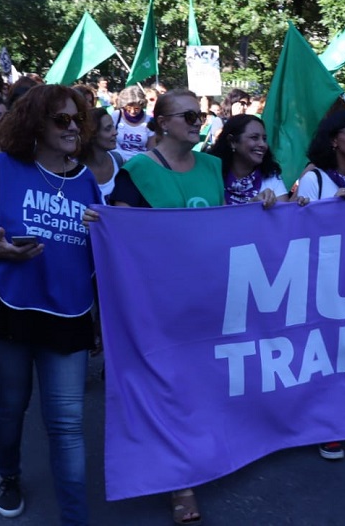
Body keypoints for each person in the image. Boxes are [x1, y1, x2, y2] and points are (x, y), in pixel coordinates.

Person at [0, 84, 101, 523]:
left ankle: (75, 518)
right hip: (8, 312)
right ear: (35, 123)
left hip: (68, 315)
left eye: (77, 119)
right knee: (11, 406)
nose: (73, 128)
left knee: (67, 425)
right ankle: (8, 475)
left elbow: (106, 252)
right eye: (61, 120)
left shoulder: (87, 180)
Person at [110, 89, 222, 525]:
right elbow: (121, 231)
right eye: (188, 114)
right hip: (158, 302)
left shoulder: (214, 166)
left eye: (201, 113)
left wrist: (278, 206)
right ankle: (181, 484)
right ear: (162, 122)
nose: (198, 120)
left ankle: (204, 456)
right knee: (169, 389)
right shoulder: (137, 170)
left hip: (210, 297)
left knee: (203, 385)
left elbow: (230, 224)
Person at [293, 110, 345, 461]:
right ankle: (325, 425)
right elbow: (300, 232)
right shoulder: (316, 180)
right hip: (322, 281)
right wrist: (332, 210)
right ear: (333, 139)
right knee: (323, 353)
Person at [208, 114, 291, 206]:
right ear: (232, 141)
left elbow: (284, 216)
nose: (262, 144)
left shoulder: (271, 176)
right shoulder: (212, 175)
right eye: (254, 137)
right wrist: (252, 206)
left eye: (264, 139)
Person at [78, 108, 123, 202]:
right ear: (92, 134)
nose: (115, 132)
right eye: (108, 129)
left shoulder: (119, 161)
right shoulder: (74, 168)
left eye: (114, 127)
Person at [113, 86, 155, 160]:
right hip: (118, 160)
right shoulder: (116, 116)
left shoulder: (149, 121)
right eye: (129, 107)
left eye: (136, 108)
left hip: (140, 162)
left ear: (142, 106)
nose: (132, 111)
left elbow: (151, 149)